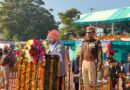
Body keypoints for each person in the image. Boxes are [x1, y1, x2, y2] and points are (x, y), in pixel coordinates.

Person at [80, 26, 102, 90]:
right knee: (85, 83)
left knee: (92, 83)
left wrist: (99, 65)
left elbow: (99, 54)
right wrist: (80, 66)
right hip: (84, 63)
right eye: (87, 32)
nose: (88, 34)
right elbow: (81, 54)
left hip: (92, 63)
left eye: (90, 32)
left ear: (93, 33)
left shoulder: (97, 42)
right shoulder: (84, 42)